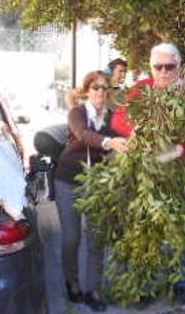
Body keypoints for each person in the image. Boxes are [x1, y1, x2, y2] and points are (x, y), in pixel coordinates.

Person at [110, 42, 185, 306]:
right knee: (143, 229)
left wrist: (176, 151)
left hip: (179, 175)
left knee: (184, 232)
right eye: (157, 67)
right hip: (144, 175)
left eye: (169, 67)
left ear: (179, 67)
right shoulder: (142, 90)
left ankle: (178, 284)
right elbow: (118, 120)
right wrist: (136, 127)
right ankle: (143, 285)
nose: (163, 72)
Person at [54, 71, 129, 312]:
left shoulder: (112, 118)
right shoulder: (77, 113)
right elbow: (84, 135)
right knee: (71, 238)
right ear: (87, 90)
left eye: (105, 88)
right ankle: (72, 283)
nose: (100, 92)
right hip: (68, 180)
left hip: (98, 184)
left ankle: (93, 290)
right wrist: (109, 142)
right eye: (96, 87)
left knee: (96, 239)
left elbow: (125, 136)